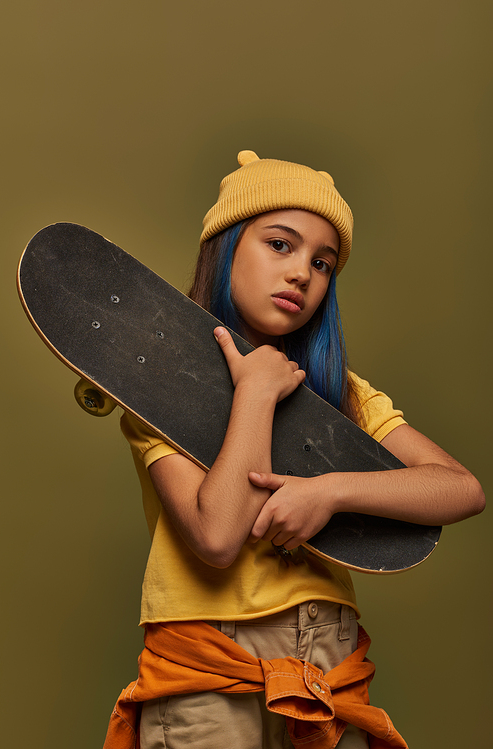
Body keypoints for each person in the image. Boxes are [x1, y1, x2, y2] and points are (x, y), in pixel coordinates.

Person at [106, 150, 485, 749]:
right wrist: (255, 392)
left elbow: (461, 488)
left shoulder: (338, 393)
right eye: (279, 244)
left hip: (325, 662)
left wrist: (328, 490)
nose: (302, 273)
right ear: (226, 247)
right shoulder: (156, 385)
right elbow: (218, 536)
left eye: (322, 262)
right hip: (209, 666)